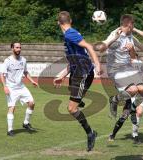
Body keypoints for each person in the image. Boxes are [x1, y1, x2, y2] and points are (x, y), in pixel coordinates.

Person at [54, 11, 103, 152]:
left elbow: (89, 47)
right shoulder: (69, 36)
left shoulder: (70, 34)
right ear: (71, 21)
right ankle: (79, 100)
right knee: (72, 102)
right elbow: (74, 59)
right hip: (77, 71)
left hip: (83, 73)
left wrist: (98, 64)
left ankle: (90, 133)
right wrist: (63, 75)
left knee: (71, 109)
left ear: (58, 23)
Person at [96, 14, 143, 118]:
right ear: (124, 24)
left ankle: (130, 106)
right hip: (116, 69)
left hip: (128, 68)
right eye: (129, 24)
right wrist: (115, 38)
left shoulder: (131, 37)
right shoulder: (115, 34)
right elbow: (101, 48)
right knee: (133, 90)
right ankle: (114, 100)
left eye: (132, 24)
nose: (131, 27)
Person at [0, 42, 38, 137]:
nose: (19, 49)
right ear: (12, 48)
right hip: (11, 88)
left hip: (21, 87)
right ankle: (10, 130)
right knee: (12, 108)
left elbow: (25, 72)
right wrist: (5, 86)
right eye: (17, 47)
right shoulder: (7, 60)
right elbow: (1, 74)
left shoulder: (23, 60)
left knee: (32, 103)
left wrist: (32, 81)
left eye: (20, 47)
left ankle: (25, 123)